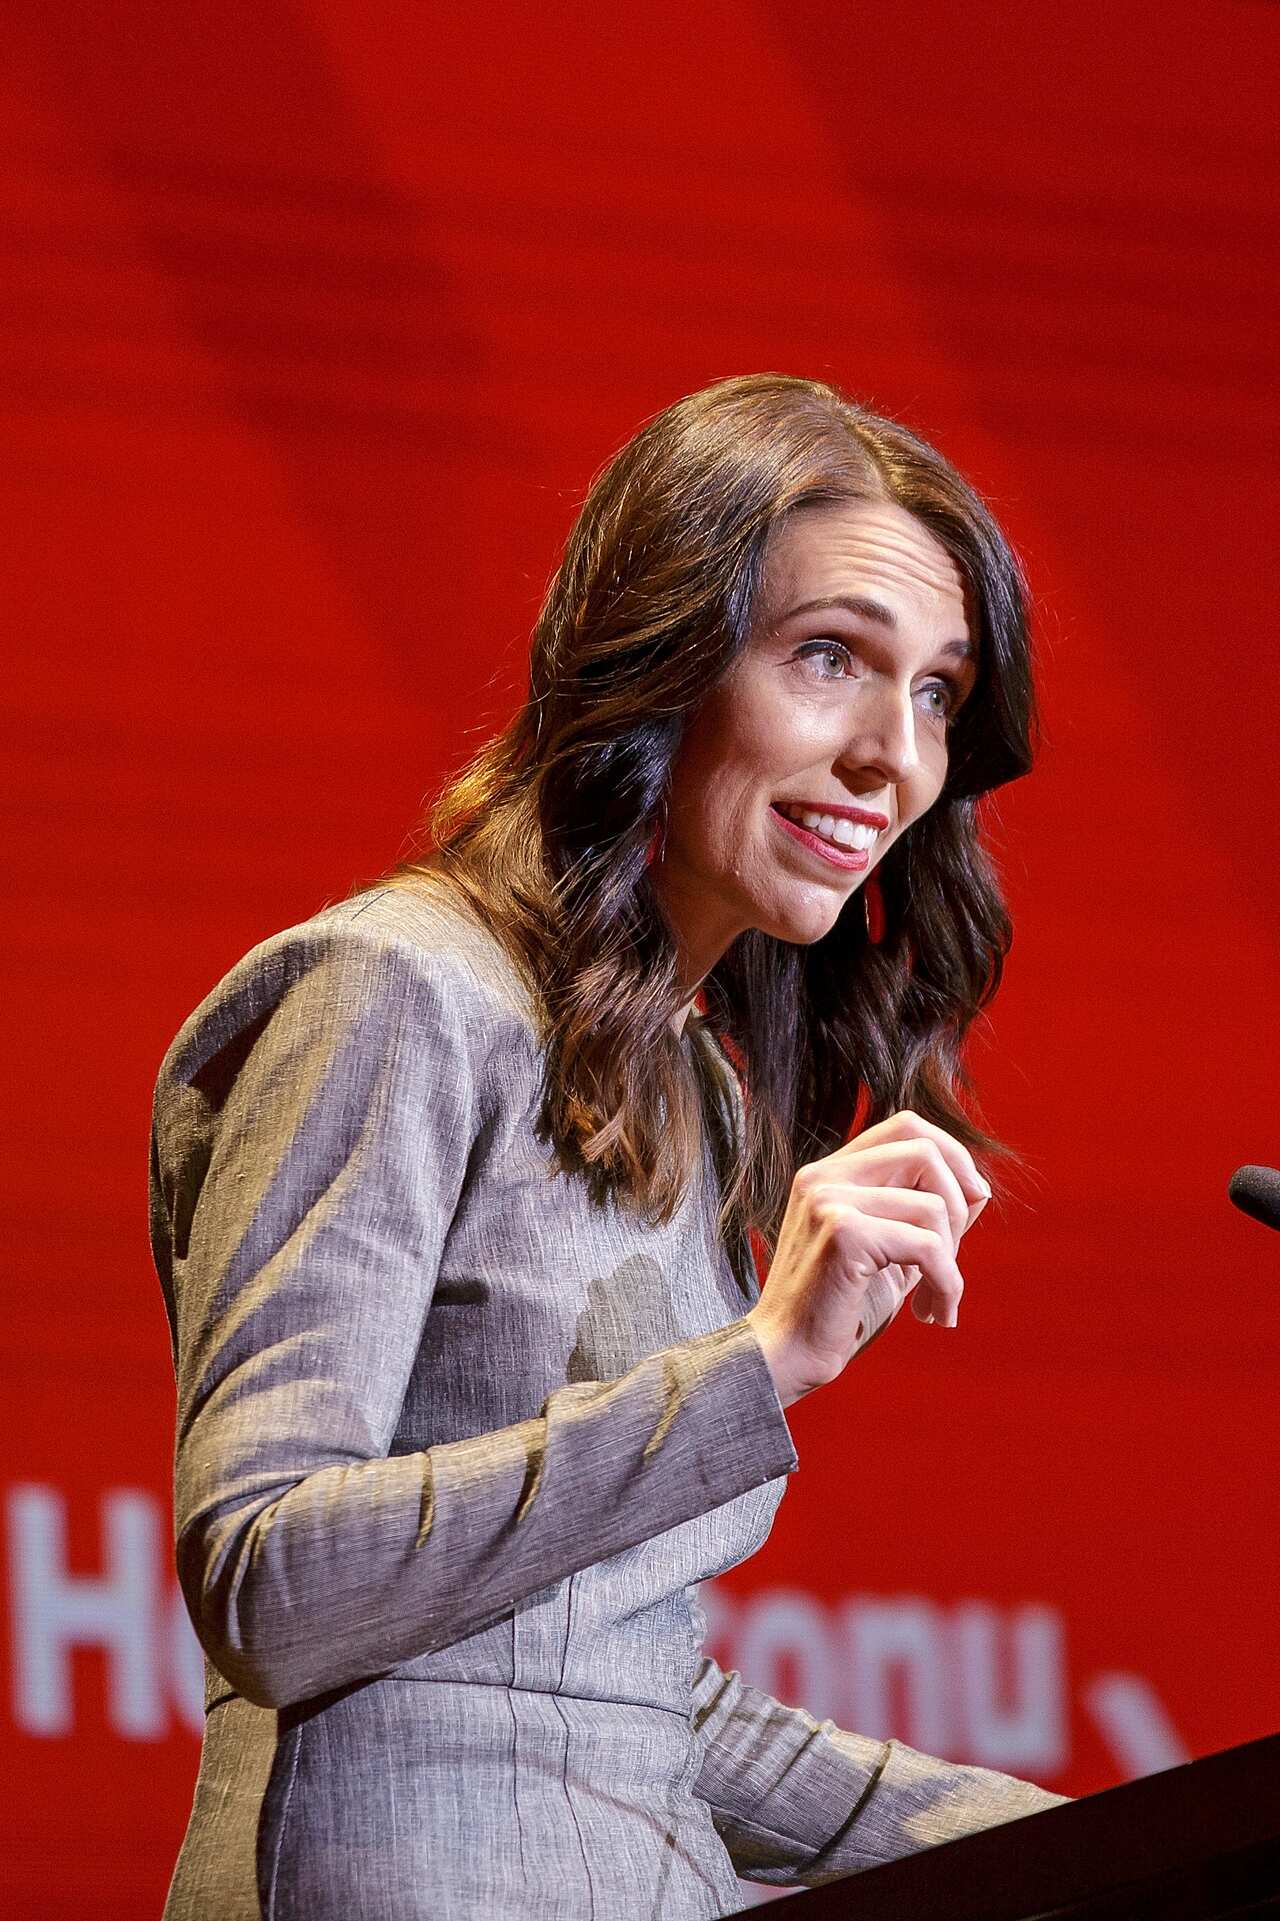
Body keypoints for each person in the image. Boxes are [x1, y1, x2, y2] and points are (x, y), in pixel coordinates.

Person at [148, 372, 1069, 1921]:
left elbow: (613, 1690)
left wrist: (1111, 1834)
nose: (890, 757)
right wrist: (757, 1366)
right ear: (660, 656)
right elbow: (268, 1580)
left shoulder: (692, 1089)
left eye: (935, 693)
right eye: (830, 657)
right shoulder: (399, 991)